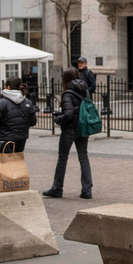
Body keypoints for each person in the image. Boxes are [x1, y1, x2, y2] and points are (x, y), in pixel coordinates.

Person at [43, 68, 93, 199]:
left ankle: (57, 188)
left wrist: (58, 118)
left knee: (62, 158)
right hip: (83, 127)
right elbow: (86, 106)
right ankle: (87, 190)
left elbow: (69, 114)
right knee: (83, 157)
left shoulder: (67, 94)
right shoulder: (85, 90)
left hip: (70, 129)